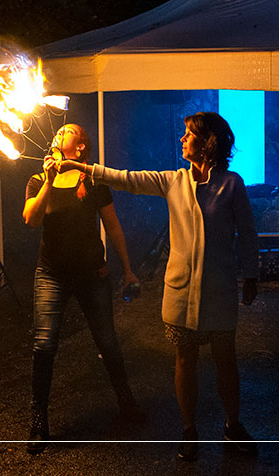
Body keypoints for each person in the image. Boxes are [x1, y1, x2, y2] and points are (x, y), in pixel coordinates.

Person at [59, 112, 260, 461]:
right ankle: (189, 431)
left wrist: (252, 275)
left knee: (225, 360)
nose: (181, 139)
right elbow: (126, 179)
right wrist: (83, 168)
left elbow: (248, 234)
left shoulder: (232, 184)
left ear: (208, 142)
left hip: (219, 290)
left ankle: (232, 424)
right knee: (185, 358)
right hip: (180, 291)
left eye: (188, 134)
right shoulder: (173, 180)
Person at [22, 123, 144, 454]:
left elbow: (113, 226)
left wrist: (128, 270)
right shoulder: (38, 179)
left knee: (107, 341)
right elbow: (31, 220)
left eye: (69, 131)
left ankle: (127, 402)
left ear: (81, 148)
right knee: (44, 346)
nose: (61, 133)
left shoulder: (93, 181)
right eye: (59, 131)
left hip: (92, 274)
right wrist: (48, 180)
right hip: (51, 275)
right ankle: (38, 421)